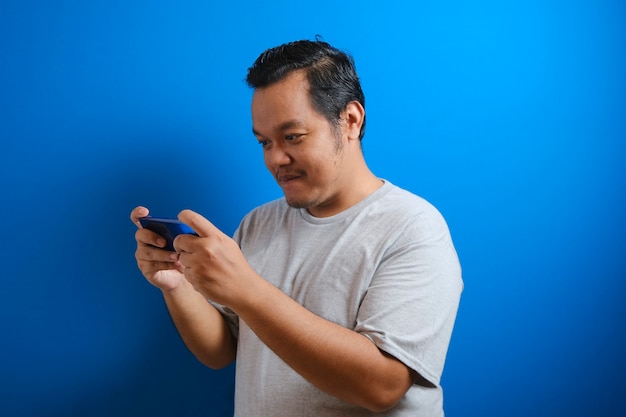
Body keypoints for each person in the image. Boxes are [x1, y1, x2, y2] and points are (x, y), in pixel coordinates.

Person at [131, 39, 463, 417]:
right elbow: (221, 351)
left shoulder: (413, 227)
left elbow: (382, 386)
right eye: (264, 142)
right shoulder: (258, 223)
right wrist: (176, 284)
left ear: (351, 120)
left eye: (293, 137)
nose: (276, 158)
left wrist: (247, 289)